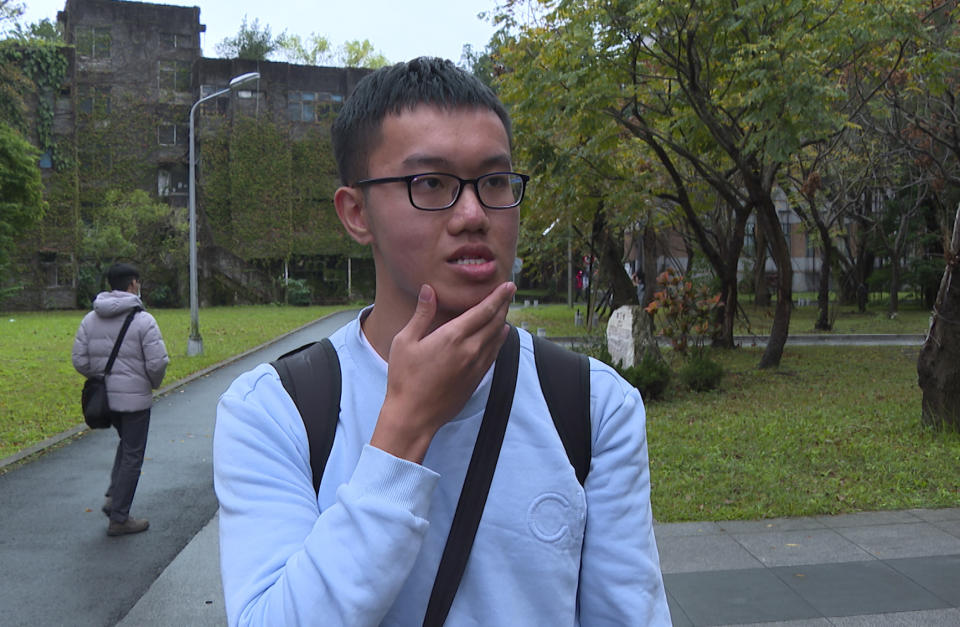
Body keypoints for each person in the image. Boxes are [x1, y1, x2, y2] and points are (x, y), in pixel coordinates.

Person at [214, 57, 670, 625]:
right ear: (356, 213)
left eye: (495, 181)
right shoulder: (274, 412)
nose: (474, 214)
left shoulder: (593, 407)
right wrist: (404, 428)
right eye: (431, 183)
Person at [72, 263, 169, 536]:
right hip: (135, 401)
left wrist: (102, 377)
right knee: (133, 455)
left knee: (127, 445)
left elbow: (79, 359)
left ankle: (115, 496)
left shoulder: (90, 319)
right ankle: (119, 517)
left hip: (105, 401)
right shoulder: (143, 321)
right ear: (133, 284)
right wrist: (151, 383)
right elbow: (157, 362)